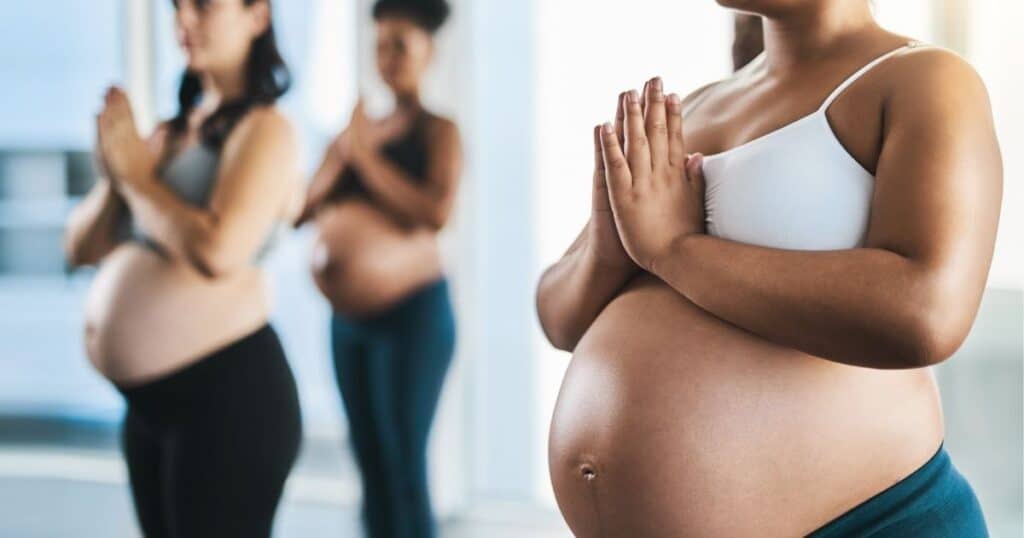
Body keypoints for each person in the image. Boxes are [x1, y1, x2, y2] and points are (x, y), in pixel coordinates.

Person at [536, 0, 1001, 536]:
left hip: (875, 520)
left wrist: (674, 250)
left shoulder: (925, 79)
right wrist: (612, 246)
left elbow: (927, 313)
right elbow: (558, 315)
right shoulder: (697, 105)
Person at [64, 1, 302, 535]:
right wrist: (115, 174)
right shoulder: (173, 133)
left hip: (230, 403)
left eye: (203, 5)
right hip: (152, 409)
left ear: (257, 16)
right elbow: (80, 248)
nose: (183, 21)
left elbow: (218, 250)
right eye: (176, 6)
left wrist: (139, 177)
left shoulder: (267, 130)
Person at [296, 0, 462, 535]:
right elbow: (302, 210)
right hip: (349, 324)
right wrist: (345, 151)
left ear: (427, 52)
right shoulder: (355, 131)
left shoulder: (439, 130)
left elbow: (435, 212)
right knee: (367, 461)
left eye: (401, 45)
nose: (388, 57)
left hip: (414, 318)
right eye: (380, 45)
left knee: (404, 462)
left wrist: (366, 157)